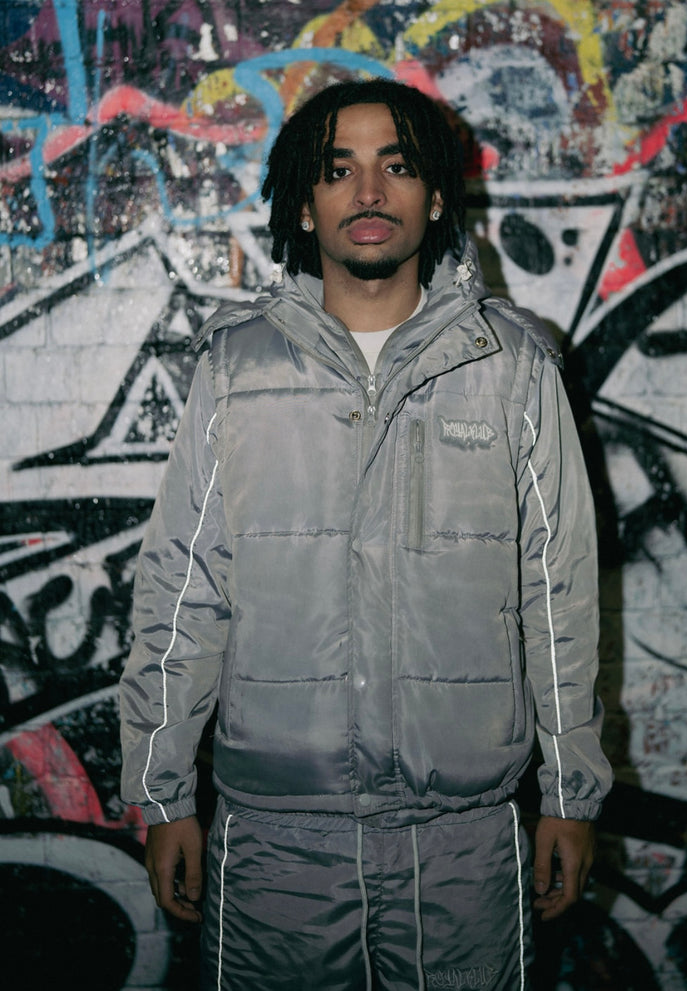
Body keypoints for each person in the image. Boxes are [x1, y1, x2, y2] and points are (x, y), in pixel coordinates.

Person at [120, 78, 612, 990]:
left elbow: (559, 591)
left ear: (436, 196)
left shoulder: (510, 364)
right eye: (339, 170)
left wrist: (571, 791)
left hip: (465, 841)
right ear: (305, 205)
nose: (371, 192)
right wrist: (160, 792)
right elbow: (185, 590)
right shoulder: (235, 369)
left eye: (398, 166)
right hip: (275, 844)